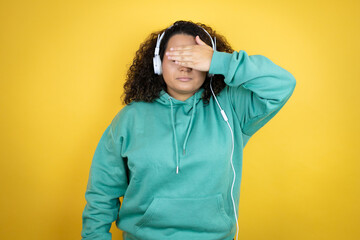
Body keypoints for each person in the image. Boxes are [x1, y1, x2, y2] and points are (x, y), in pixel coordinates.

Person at [81, 20, 296, 240]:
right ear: (157, 64)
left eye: (193, 58)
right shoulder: (131, 118)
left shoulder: (231, 108)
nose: (184, 67)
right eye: (175, 58)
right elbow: (102, 193)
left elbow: (282, 84)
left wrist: (219, 61)